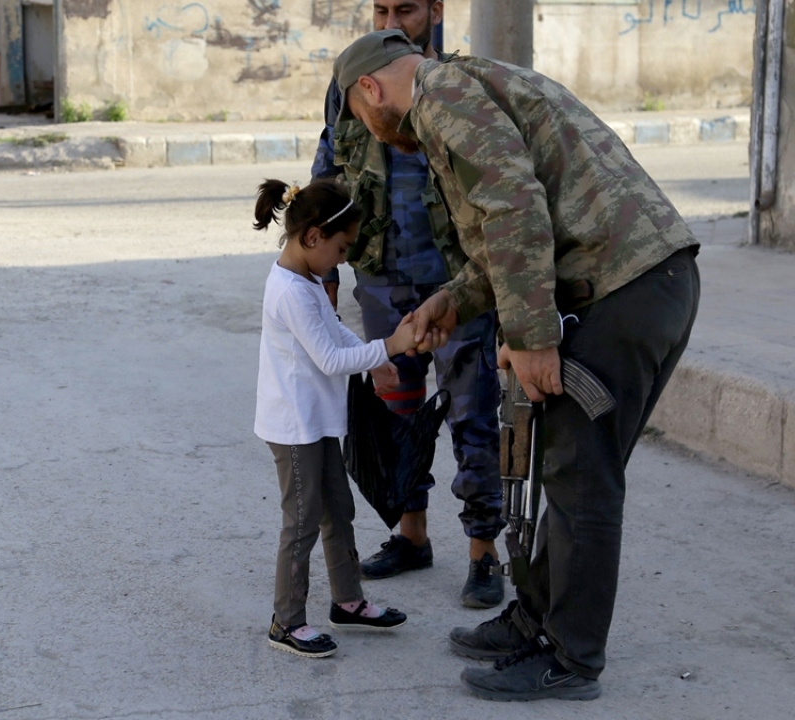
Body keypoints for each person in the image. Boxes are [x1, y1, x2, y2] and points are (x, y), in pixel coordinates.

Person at [332, 31, 701, 700]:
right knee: (560, 468)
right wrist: (453, 300)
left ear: (369, 88)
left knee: (580, 477)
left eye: (362, 119)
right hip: (634, 284)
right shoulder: (464, 85)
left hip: (623, 288)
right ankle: (535, 621)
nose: (373, 134)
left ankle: (571, 659)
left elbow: (512, 204)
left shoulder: (439, 93)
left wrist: (529, 336)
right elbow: (502, 229)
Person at [312, 1, 506, 609]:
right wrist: (322, 273)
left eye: (406, 8)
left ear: (436, 10)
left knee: (472, 414)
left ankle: (483, 552)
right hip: (380, 276)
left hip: (456, 280)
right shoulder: (352, 81)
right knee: (397, 408)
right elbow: (328, 170)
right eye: (380, 8)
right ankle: (411, 534)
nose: (391, 20)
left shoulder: (454, 84)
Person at [253, 178, 430, 658]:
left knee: (338, 510)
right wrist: (389, 346)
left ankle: (348, 601)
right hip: (294, 428)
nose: (344, 259)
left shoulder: (306, 280)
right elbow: (330, 359)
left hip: (317, 421)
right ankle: (286, 621)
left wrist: (375, 359)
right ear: (313, 237)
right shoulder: (289, 291)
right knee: (303, 521)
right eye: (342, 248)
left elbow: (333, 331)